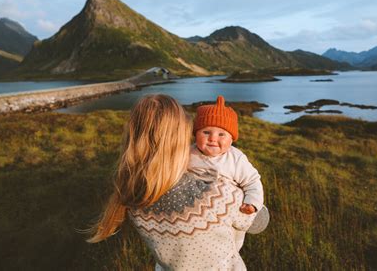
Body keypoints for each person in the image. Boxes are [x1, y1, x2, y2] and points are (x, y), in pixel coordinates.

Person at [87, 94, 267, 270]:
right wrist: (246, 196)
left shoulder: (134, 192)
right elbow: (259, 222)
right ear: (180, 138)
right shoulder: (216, 194)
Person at [189, 95, 264, 250]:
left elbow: (252, 181)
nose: (213, 138)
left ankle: (230, 254)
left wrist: (252, 203)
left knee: (230, 243)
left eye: (221, 134)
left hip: (230, 214)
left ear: (231, 139)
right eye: (206, 132)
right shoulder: (188, 154)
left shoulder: (235, 158)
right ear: (196, 134)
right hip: (197, 213)